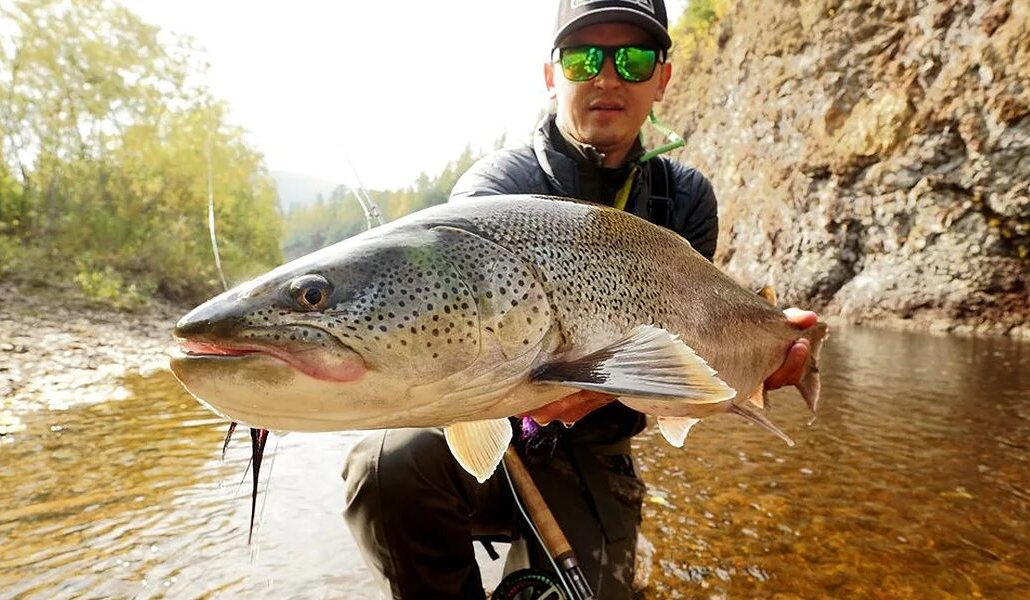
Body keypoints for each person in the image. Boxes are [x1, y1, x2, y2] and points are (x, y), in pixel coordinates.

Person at [341, 1, 816, 598]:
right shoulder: (494, 191)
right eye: (584, 56)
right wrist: (528, 409)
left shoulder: (685, 198)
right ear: (551, 75)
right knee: (389, 462)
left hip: (599, 448)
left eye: (635, 58)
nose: (608, 76)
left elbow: (697, 344)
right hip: (494, 432)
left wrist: (755, 366)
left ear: (662, 79)